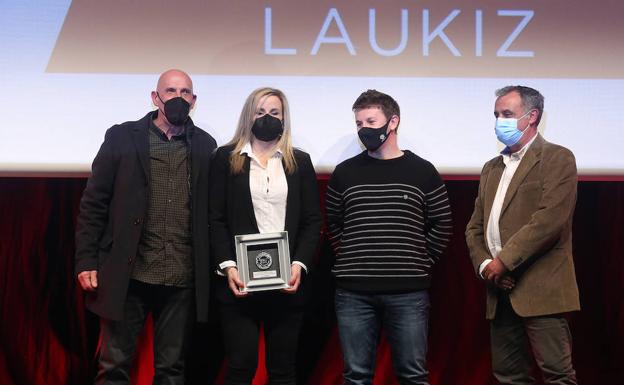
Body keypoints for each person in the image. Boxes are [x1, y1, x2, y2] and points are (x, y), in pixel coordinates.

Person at [75, 69, 217, 384]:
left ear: (193, 101)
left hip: (181, 275)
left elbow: (212, 213)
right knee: (114, 367)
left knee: (171, 370)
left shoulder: (207, 146)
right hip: (129, 273)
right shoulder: (122, 137)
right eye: (170, 91)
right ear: (155, 97)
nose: (177, 98)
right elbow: (94, 203)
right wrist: (86, 259)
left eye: (184, 92)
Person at [325, 89, 452, 385]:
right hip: (353, 292)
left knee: (413, 376)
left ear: (392, 122)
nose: (363, 129)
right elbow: (333, 223)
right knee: (356, 376)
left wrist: (420, 261)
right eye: (358, 123)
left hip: (408, 292)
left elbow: (442, 223)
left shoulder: (422, 171)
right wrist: (350, 258)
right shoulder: (344, 173)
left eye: (370, 120)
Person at [465, 85, 580, 385]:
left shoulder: (557, 158)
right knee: (508, 376)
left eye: (507, 114)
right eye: (496, 114)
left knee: (557, 374)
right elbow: (475, 227)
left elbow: (549, 220)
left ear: (532, 117)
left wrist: (503, 262)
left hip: (542, 288)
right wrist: (486, 268)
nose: (498, 121)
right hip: (499, 289)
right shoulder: (491, 167)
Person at [209, 87, 322, 385]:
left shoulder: (300, 161)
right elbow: (216, 219)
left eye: (274, 113)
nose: (267, 118)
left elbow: (312, 220)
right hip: (239, 284)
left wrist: (298, 264)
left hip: (287, 283)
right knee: (240, 368)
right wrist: (228, 266)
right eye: (260, 112)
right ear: (249, 116)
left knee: (283, 370)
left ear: (284, 118)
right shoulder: (225, 158)